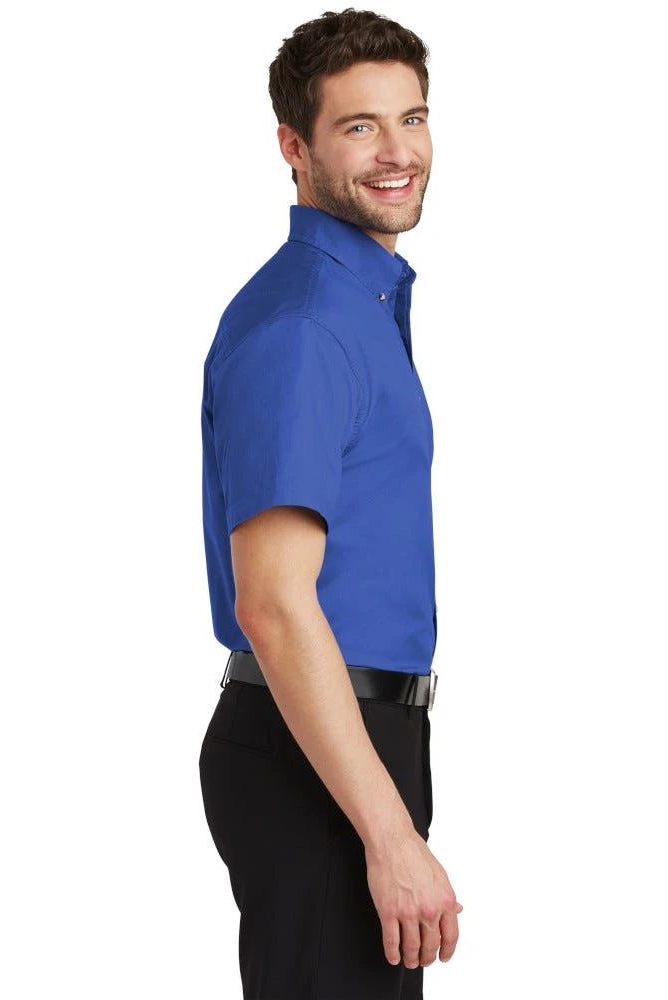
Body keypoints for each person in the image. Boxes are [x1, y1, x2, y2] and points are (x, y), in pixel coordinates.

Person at [198, 9, 462, 998]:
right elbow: (272, 602)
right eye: (360, 126)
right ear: (294, 148)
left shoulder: (360, 302)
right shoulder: (306, 325)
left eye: (412, 118)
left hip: (353, 737)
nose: (398, 152)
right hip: (315, 747)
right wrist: (388, 835)